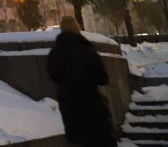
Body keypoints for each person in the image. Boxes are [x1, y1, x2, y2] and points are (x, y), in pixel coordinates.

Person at [46, 14, 117, 146]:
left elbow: (54, 77)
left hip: (69, 105)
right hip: (92, 104)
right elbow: (102, 78)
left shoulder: (54, 53)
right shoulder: (87, 50)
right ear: (77, 29)